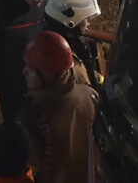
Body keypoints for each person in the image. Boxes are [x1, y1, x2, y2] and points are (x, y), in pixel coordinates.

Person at [22, 31, 98, 183]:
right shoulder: (91, 95)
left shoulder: (34, 115)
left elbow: (28, 170)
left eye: (32, 69)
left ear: (50, 73)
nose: (25, 72)